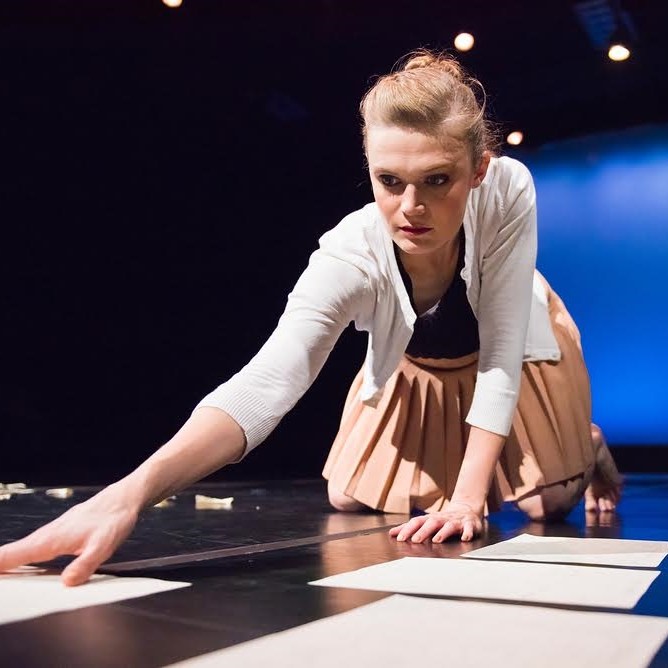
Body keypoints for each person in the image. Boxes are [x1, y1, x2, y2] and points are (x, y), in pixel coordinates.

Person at [0, 50, 621, 585]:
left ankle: (585, 446)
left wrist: (464, 500)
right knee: (346, 495)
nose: (412, 207)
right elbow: (269, 380)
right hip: (420, 367)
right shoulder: (349, 254)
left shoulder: (507, 188)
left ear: (477, 169)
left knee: (545, 506)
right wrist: (128, 494)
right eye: (389, 180)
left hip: (513, 353)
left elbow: (502, 351)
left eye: (437, 180)